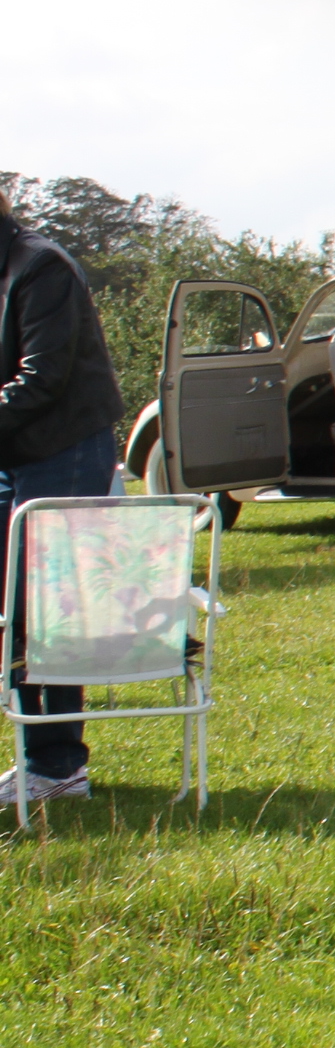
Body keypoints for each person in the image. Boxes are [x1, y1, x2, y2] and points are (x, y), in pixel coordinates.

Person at [0, 183, 129, 810]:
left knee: (52, 609)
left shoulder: (40, 265)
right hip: (15, 452)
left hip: (65, 448)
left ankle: (59, 765)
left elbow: (42, 377)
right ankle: (38, 756)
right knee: (14, 609)